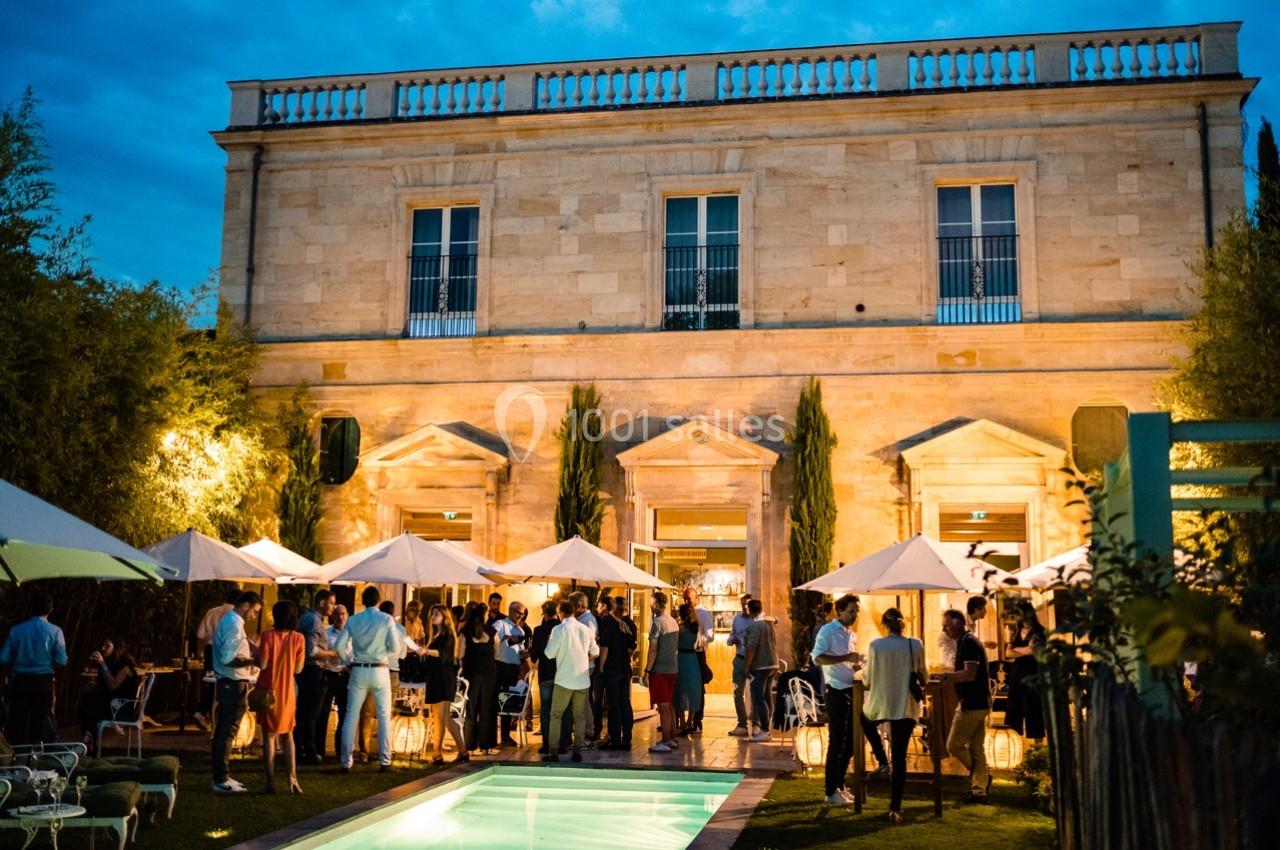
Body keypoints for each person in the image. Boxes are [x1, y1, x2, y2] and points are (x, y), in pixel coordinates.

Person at [811, 594, 890, 806]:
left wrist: (855, 664)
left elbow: (846, 662)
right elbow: (817, 658)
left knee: (852, 742)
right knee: (837, 741)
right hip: (836, 690)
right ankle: (830, 791)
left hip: (851, 689)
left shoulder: (851, 634)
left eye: (856, 611)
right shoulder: (828, 631)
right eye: (851, 611)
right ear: (840, 611)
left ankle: (840, 784)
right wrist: (846, 658)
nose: (855, 615)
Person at [865, 607, 926, 822]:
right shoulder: (915, 644)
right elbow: (923, 675)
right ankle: (895, 808)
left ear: (884, 624)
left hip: (881, 705)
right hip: (905, 706)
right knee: (900, 757)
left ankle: (882, 760)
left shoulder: (875, 646)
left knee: (863, 720)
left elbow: (867, 679)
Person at [333, 586, 401, 773]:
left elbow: (339, 645)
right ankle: (385, 760)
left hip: (358, 669)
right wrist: (383, 653)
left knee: (351, 715)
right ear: (378, 601)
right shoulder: (386, 619)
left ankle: (346, 762)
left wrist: (348, 661)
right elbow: (396, 648)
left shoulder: (354, 620)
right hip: (380, 669)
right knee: (384, 715)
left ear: (363, 601)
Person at [210, 591, 263, 794]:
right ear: (246, 605)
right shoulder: (233, 623)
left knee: (226, 730)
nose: (254, 616)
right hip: (231, 683)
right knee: (226, 731)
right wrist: (253, 660)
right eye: (254, 611)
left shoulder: (232, 622)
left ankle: (223, 775)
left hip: (232, 682)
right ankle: (220, 779)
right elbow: (227, 658)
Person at [0, 590, 68, 745]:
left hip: (20, 681)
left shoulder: (16, 630)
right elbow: (62, 660)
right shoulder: (56, 631)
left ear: (31, 608)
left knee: (17, 722)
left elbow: (3, 657)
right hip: (43, 682)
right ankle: (35, 754)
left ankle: (16, 755)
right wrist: (49, 662)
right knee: (39, 722)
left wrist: (17, 660)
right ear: (51, 609)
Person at [255, 600, 306, 794]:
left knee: (269, 736)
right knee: (288, 735)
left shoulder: (267, 636)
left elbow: (263, 665)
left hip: (269, 691)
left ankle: (270, 781)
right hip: (288, 692)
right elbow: (299, 669)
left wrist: (255, 650)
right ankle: (293, 779)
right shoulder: (299, 638)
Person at [940, 608, 991, 802]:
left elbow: (970, 674)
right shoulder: (966, 641)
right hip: (979, 701)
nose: (944, 630)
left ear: (958, 623)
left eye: (946, 626)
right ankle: (979, 790)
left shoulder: (968, 642)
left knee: (954, 745)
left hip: (972, 703)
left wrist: (946, 677)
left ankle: (980, 776)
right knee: (977, 748)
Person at [542, 600, 598, 763]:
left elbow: (549, 653)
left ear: (560, 613)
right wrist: (583, 658)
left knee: (556, 715)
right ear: (573, 612)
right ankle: (577, 751)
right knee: (579, 716)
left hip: (564, 680)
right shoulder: (585, 629)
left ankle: (553, 751)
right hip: (582, 679)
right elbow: (595, 651)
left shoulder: (558, 629)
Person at [294, 589, 337, 765]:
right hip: (313, 671)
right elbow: (311, 650)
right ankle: (309, 751)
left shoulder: (307, 618)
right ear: (322, 603)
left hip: (306, 671)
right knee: (311, 714)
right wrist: (331, 653)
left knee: (303, 712)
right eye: (331, 603)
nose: (333, 607)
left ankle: (300, 749)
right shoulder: (314, 621)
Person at [423, 605, 467, 764]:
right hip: (436, 678)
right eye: (432, 614)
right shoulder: (435, 634)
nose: (433, 617)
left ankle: (437, 753)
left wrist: (426, 651)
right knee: (442, 717)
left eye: (436, 614)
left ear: (444, 617)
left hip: (443, 678)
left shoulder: (448, 635)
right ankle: (462, 751)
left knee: (442, 717)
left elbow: (443, 654)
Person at [79, 638, 138, 754]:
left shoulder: (125, 665)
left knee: (94, 706)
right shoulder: (112, 662)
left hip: (122, 706)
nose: (103, 648)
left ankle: (87, 740)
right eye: (103, 645)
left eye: (107, 646)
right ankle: (88, 739)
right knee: (86, 700)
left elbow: (113, 685)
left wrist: (102, 663)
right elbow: (105, 685)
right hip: (111, 702)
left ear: (117, 648)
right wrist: (94, 684)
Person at [193, 588, 240, 731]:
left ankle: (202, 712)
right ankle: (215, 717)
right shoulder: (235, 615)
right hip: (225, 651)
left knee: (210, 681)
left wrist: (212, 638)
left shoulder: (212, 611)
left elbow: (200, 634)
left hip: (209, 649)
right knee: (224, 684)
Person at [530, 601, 569, 756]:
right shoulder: (562, 628)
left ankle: (547, 743)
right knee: (562, 709)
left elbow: (534, 656)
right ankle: (563, 742)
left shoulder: (539, 630)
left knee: (546, 709)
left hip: (546, 674)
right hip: (561, 673)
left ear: (544, 614)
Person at [643, 591, 680, 754]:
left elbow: (653, 649)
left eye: (652, 603)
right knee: (669, 704)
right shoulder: (673, 621)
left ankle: (665, 740)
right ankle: (672, 737)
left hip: (660, 669)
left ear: (657, 604)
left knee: (663, 706)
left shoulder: (657, 623)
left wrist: (647, 670)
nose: (651, 606)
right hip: (673, 668)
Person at [1004, 601, 1046, 743]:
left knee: (1034, 710)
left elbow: (1034, 651)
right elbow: (1008, 653)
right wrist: (1025, 650)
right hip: (1017, 674)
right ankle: (1015, 744)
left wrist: (1017, 650)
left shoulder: (1039, 631)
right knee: (1015, 709)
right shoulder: (1016, 632)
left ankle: (1038, 747)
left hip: (1033, 673)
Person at [597, 595, 635, 750]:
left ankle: (615, 739)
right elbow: (631, 648)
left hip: (612, 668)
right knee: (625, 702)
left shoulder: (608, 622)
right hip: (624, 667)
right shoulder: (626, 625)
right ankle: (626, 737)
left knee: (614, 704)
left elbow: (604, 646)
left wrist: (601, 667)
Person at [461, 604, 499, 755]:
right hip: (489, 672)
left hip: (471, 673)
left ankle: (470, 746)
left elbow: (460, 653)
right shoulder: (492, 632)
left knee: (471, 709)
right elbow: (497, 653)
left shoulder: (465, 632)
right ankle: (486, 746)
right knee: (488, 708)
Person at [491, 601, 528, 747]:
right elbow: (492, 638)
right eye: (518, 613)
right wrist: (506, 638)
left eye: (522, 614)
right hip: (500, 666)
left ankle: (505, 736)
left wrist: (523, 653)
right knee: (496, 700)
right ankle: (491, 736)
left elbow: (520, 650)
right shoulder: (500, 624)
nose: (520, 616)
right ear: (511, 610)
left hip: (513, 668)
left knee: (508, 702)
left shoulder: (521, 631)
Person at [743, 598, 778, 742]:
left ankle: (765, 730)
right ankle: (767, 727)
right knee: (767, 696)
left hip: (760, 666)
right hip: (773, 664)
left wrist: (746, 666)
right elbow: (776, 619)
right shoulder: (769, 623)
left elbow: (751, 648)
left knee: (758, 697)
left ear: (749, 610)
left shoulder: (754, 627)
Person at [681, 587, 714, 731]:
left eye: (688, 599)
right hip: (683, 654)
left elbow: (710, 635)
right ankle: (680, 721)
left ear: (696, 598)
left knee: (698, 687)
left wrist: (701, 640)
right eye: (684, 599)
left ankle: (697, 721)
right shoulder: (682, 613)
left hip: (697, 654)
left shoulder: (703, 613)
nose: (686, 601)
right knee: (682, 686)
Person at [320, 604, 350, 760]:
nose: (340, 617)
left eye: (343, 614)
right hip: (330, 673)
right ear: (333, 616)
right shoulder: (326, 633)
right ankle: (320, 750)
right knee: (324, 712)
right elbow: (322, 652)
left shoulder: (352, 633)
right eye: (337, 614)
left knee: (344, 714)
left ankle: (340, 750)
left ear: (347, 615)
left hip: (346, 675)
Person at [569, 591, 598, 742]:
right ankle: (586, 728)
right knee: (582, 698)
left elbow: (590, 646)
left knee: (583, 699)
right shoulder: (583, 619)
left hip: (585, 666)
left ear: (579, 605)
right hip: (583, 665)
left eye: (571, 606)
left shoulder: (587, 621)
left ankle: (588, 729)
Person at [725, 594, 755, 736]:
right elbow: (732, 635)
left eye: (748, 604)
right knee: (737, 692)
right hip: (739, 659)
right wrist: (732, 640)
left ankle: (756, 723)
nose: (745, 607)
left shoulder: (756, 620)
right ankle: (742, 724)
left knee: (755, 693)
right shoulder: (737, 619)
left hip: (754, 661)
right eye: (743, 604)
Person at [674, 603, 704, 737]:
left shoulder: (679, 627)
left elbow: (675, 643)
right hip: (692, 659)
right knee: (692, 690)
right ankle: (689, 722)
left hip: (681, 658)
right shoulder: (695, 627)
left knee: (680, 690)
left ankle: (681, 723)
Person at [377, 601, 412, 693]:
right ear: (393, 612)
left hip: (376, 670)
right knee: (390, 701)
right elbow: (403, 654)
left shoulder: (375, 628)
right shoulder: (401, 629)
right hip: (393, 670)